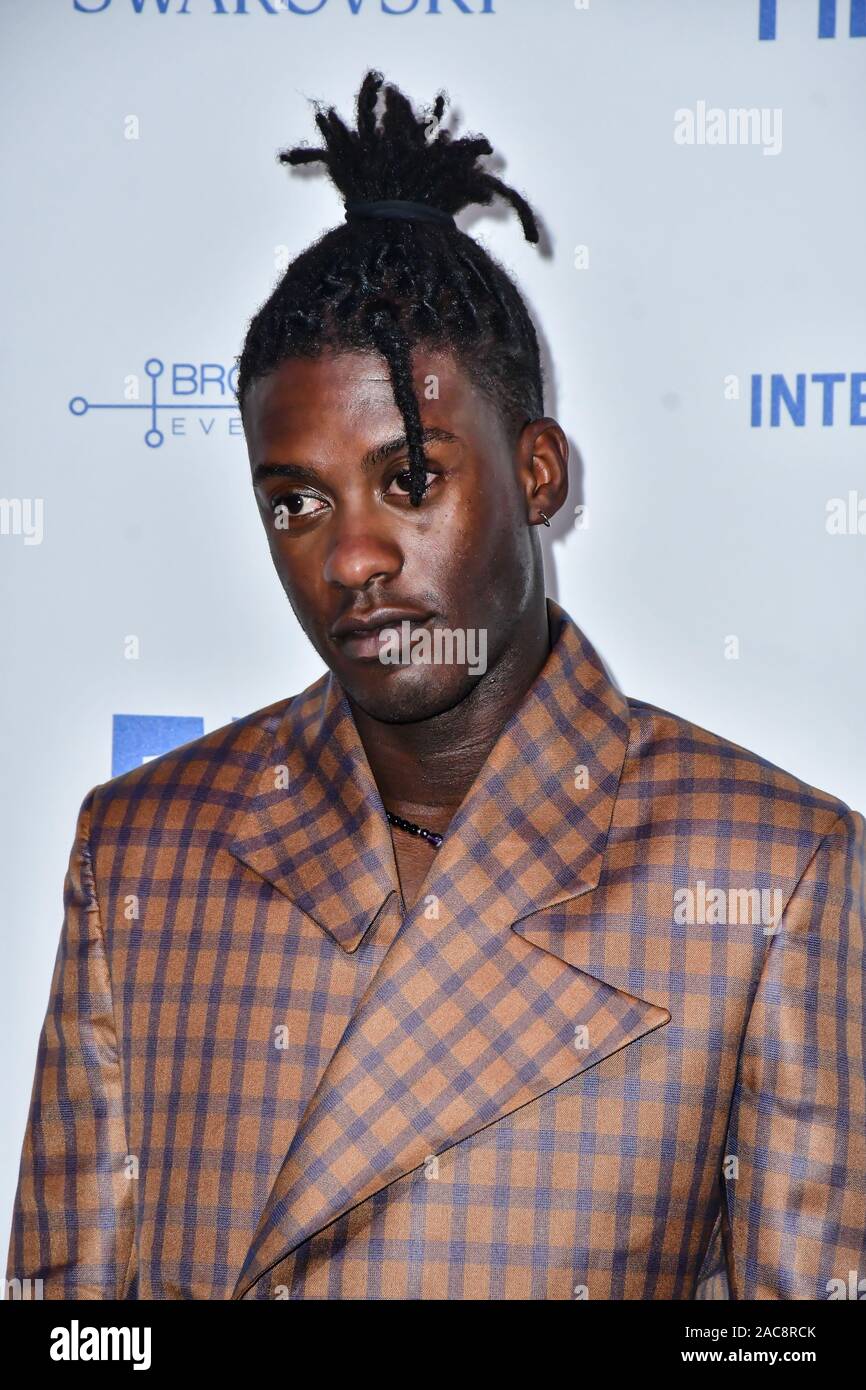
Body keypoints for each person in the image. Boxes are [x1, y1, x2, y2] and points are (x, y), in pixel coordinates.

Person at [7, 70, 865, 1301]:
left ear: (538, 472)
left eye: (409, 482)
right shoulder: (141, 850)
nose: (350, 558)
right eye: (295, 501)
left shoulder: (766, 873)